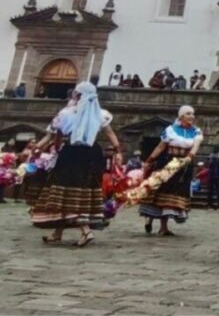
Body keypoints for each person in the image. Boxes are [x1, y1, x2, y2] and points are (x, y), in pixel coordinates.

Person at [30, 82, 121, 246]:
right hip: (92, 155)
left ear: (78, 96)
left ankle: (86, 230)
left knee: (66, 193)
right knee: (82, 193)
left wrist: (41, 148)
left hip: (71, 154)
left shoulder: (67, 113)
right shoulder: (100, 115)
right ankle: (57, 233)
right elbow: (111, 135)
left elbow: (55, 136)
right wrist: (118, 152)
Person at [139, 105, 203, 236]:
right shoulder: (170, 130)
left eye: (193, 114)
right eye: (188, 114)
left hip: (183, 165)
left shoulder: (196, 132)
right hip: (168, 163)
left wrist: (189, 157)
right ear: (181, 116)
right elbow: (160, 147)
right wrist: (149, 160)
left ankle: (163, 226)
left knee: (172, 194)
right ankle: (151, 220)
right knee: (160, 191)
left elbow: (195, 147)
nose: (192, 116)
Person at [207, 146, 219, 210]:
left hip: (218, 176)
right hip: (212, 175)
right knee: (211, 191)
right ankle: (210, 205)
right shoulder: (211, 156)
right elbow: (209, 164)